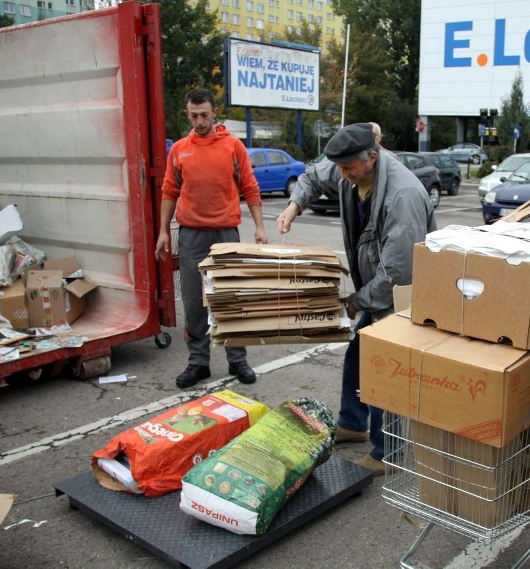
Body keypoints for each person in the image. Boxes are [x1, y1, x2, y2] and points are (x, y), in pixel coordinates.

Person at [276, 123, 436, 475]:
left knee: (386, 372)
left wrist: (356, 301)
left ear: (372, 158)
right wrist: (293, 207)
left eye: (348, 169)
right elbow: (314, 177)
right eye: (340, 168)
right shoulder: (349, 171)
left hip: (400, 298)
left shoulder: (402, 195)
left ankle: (387, 452)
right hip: (375, 289)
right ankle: (353, 422)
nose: (342, 176)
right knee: (357, 356)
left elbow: (399, 273)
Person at [155, 88, 268, 389]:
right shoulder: (179, 149)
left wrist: (259, 228)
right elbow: (169, 191)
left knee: (230, 298)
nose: (200, 121)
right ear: (187, 115)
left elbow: (250, 186)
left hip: (226, 234)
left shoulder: (233, 146)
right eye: (194, 115)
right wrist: (163, 232)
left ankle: (237, 360)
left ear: (214, 112)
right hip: (192, 235)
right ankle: (198, 362)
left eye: (205, 114)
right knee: (194, 302)